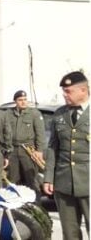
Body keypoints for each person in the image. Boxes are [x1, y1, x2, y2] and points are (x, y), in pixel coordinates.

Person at [44, 71, 89, 240]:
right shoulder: (60, 114)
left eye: (68, 91)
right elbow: (53, 148)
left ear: (83, 91)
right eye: (64, 90)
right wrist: (48, 177)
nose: (64, 94)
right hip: (64, 183)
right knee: (70, 233)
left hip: (88, 182)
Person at [5, 89, 46, 189]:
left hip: (28, 150)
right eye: (20, 100)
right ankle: (16, 204)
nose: (23, 102)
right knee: (13, 180)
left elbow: (40, 133)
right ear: (15, 101)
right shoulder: (8, 114)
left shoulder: (34, 114)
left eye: (25, 99)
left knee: (32, 180)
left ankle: (35, 203)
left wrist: (39, 151)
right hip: (13, 150)